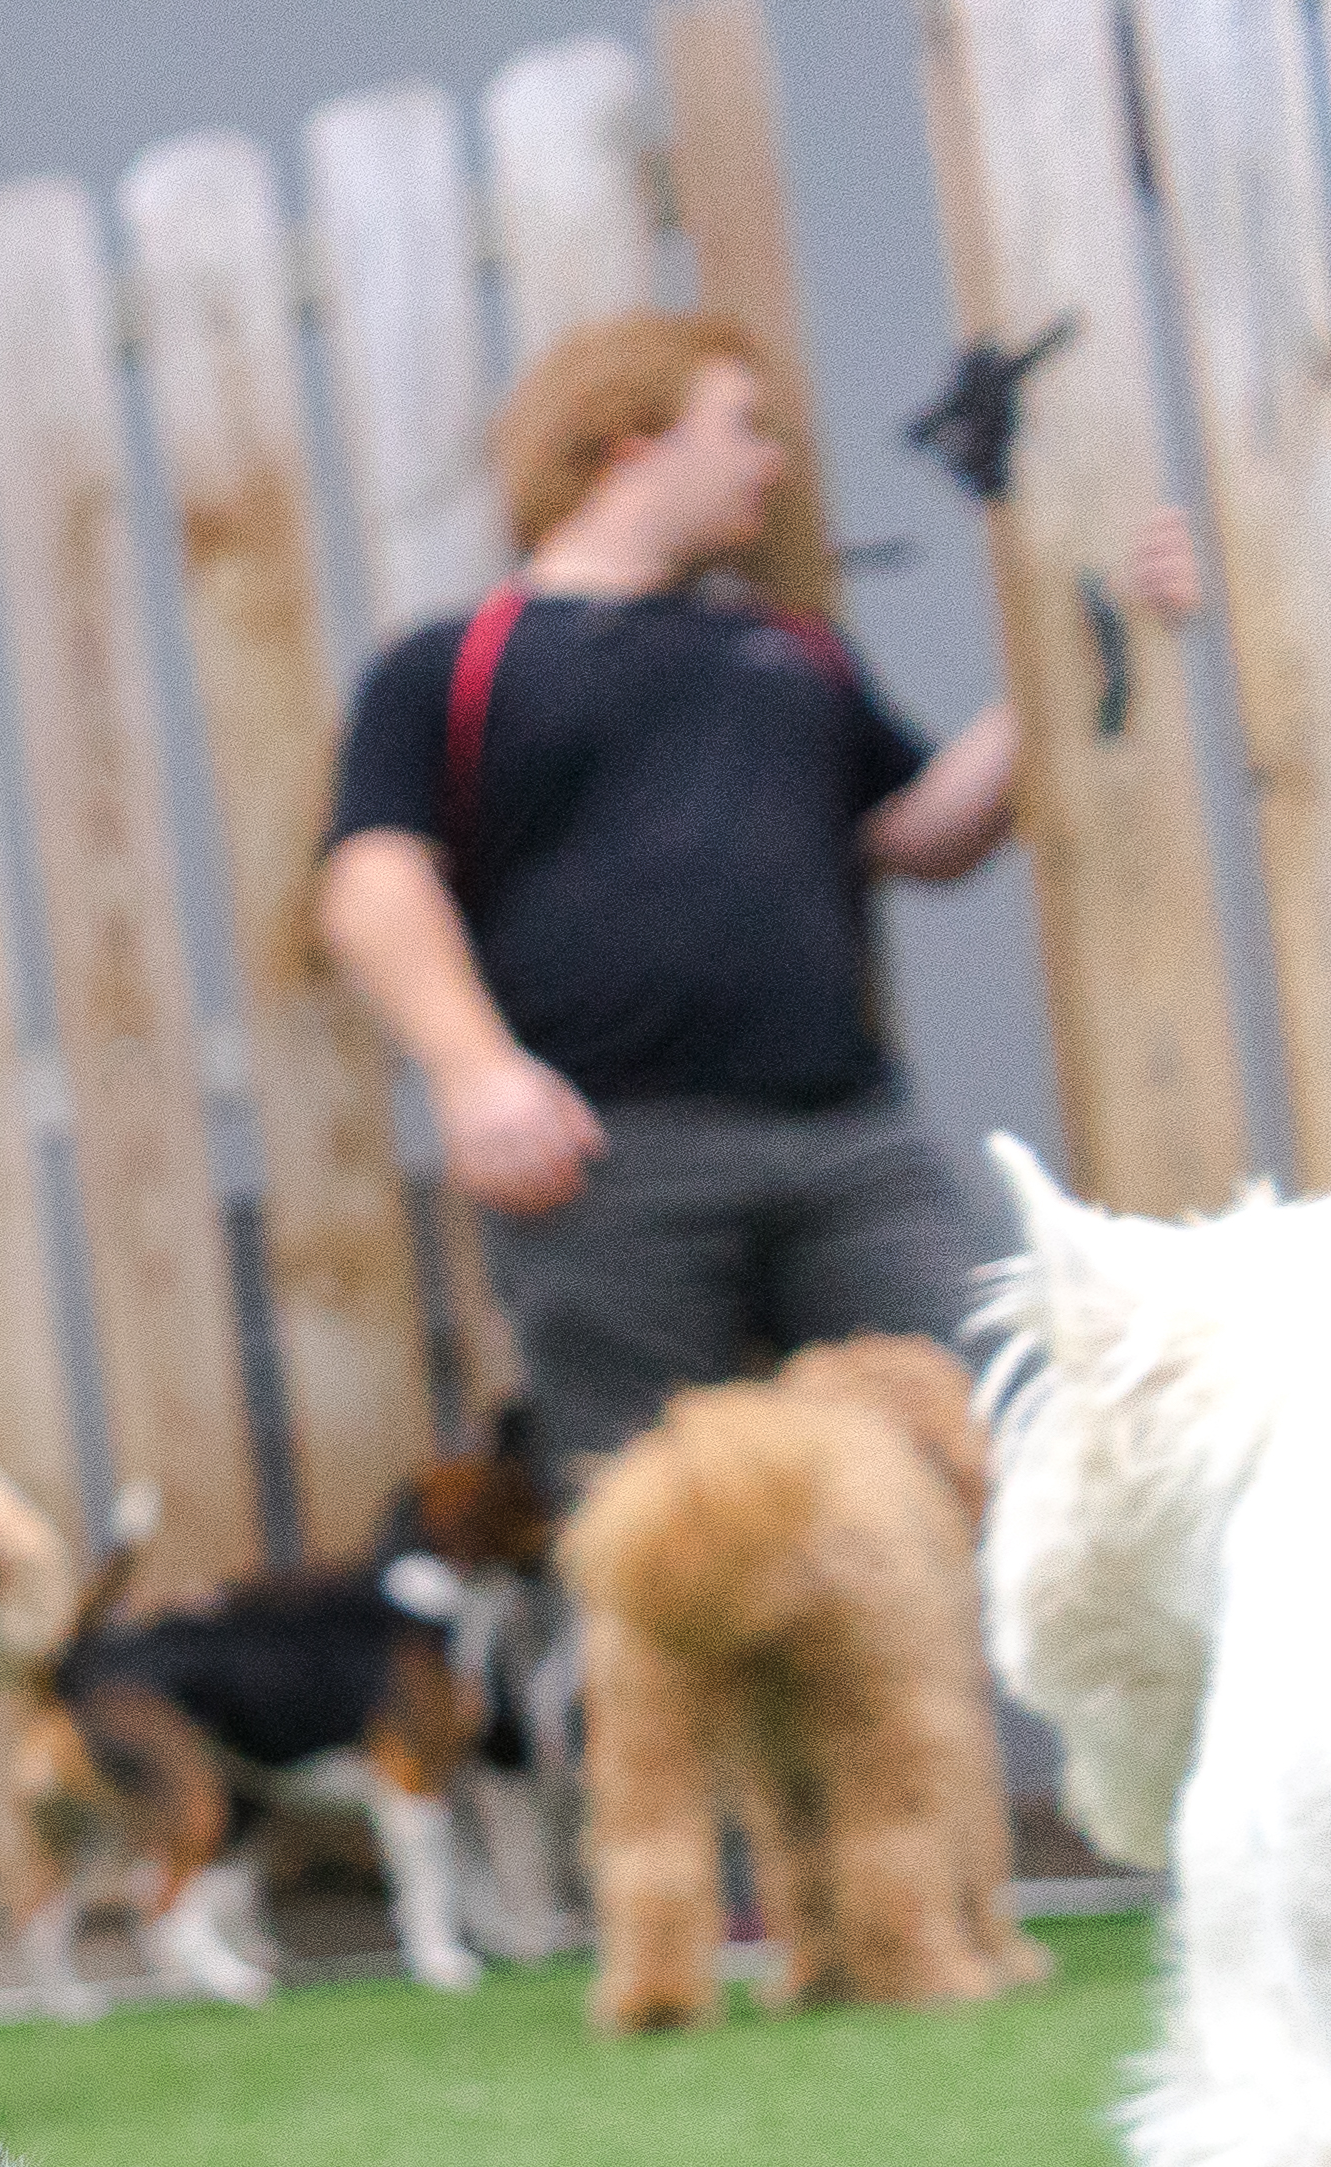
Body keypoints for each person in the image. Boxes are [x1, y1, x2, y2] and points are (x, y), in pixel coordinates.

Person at [314, 310, 1200, 1467]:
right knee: (655, 1520)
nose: (773, 462)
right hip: (608, 1156)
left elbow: (925, 833)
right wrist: (476, 1073)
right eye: (743, 427)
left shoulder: (792, 654)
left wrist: (1102, 633)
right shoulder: (460, 662)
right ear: (630, 439)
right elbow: (373, 880)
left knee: (1003, 1439)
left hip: (848, 1142)